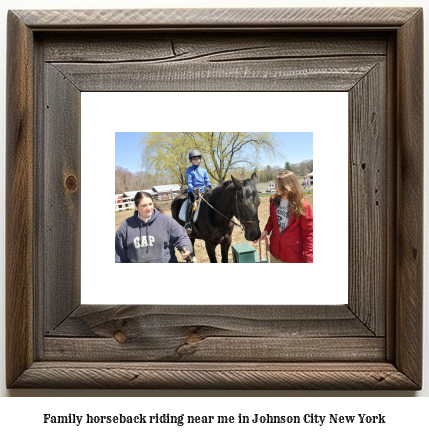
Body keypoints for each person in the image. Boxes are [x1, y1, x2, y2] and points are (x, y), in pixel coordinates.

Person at [115, 191, 192, 263]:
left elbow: (181, 236)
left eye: (150, 204)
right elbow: (118, 253)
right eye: (144, 205)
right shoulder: (125, 226)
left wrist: (185, 246)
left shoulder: (166, 220)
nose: (148, 208)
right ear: (136, 206)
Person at [255, 170, 313, 263]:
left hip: (292, 255)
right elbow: (272, 218)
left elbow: (309, 233)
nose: (275, 187)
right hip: (275, 252)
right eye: (275, 184)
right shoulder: (273, 200)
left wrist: (308, 259)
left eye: (279, 185)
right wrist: (266, 230)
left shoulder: (302, 205)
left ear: (288, 185)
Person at [184, 150, 212, 235]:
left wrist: (209, 186)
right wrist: (194, 189)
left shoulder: (204, 170)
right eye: (194, 159)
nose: (196, 160)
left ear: (200, 159)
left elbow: (207, 181)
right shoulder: (189, 170)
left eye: (197, 158)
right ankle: (187, 224)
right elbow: (189, 183)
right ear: (191, 160)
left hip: (203, 191)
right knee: (190, 203)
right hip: (193, 191)